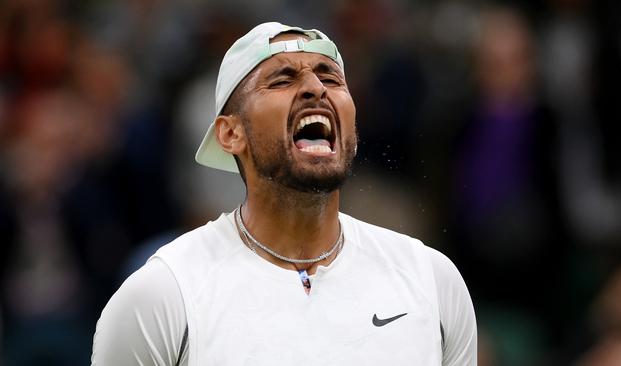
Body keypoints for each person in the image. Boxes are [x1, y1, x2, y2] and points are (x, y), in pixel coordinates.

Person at [91, 22, 477, 366]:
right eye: (282, 80)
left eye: (331, 77)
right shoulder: (163, 295)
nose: (315, 88)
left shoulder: (432, 280)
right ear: (230, 133)